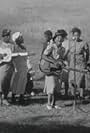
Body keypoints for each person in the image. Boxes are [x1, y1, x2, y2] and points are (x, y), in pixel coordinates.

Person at [42, 29, 67, 110]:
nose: (60, 39)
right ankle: (49, 104)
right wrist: (54, 61)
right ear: (55, 38)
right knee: (51, 88)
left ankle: (54, 104)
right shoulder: (51, 46)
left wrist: (62, 63)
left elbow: (61, 59)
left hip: (58, 70)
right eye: (58, 37)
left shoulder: (62, 49)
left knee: (56, 88)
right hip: (50, 69)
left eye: (62, 37)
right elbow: (44, 56)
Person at [68, 27, 89, 99]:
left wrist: (86, 62)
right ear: (73, 35)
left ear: (80, 35)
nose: (76, 37)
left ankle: (81, 95)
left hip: (81, 63)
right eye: (75, 35)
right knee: (72, 79)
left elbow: (87, 53)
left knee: (81, 80)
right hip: (72, 63)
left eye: (78, 35)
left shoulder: (84, 43)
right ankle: (73, 95)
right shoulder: (70, 42)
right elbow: (68, 52)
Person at [11, 32, 28, 104]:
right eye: (21, 37)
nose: (22, 38)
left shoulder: (24, 47)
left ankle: (21, 96)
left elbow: (26, 58)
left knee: (23, 81)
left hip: (23, 67)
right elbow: (11, 56)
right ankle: (13, 96)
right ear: (17, 39)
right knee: (16, 82)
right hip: (17, 67)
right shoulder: (13, 47)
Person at [0, 29, 14, 105]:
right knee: (1, 81)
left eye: (9, 35)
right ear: (3, 36)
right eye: (7, 35)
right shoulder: (0, 44)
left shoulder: (12, 45)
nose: (8, 37)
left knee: (7, 82)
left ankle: (5, 98)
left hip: (10, 66)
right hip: (2, 66)